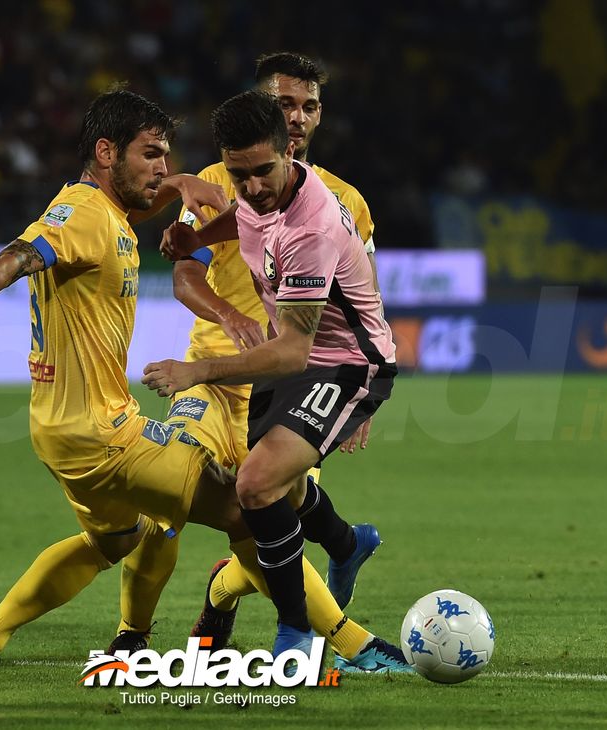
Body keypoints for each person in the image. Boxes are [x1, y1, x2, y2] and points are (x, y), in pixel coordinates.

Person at [0, 88, 407, 672]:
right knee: (253, 509)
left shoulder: (109, 217)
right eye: (151, 155)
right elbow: (23, 253)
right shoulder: (83, 217)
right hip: (110, 434)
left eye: (167, 157)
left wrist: (179, 191)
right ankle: (351, 643)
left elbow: (138, 211)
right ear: (105, 152)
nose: (163, 168)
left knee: (118, 540)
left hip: (57, 433)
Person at [109, 52, 381, 655]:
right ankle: (132, 637)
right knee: (170, 503)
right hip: (213, 379)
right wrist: (228, 315)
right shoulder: (219, 177)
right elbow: (184, 274)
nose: (299, 117)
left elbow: (366, 295)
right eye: (285, 104)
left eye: (309, 105)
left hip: (296, 381)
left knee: (266, 514)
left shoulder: (345, 201)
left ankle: (231, 596)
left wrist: (360, 400)